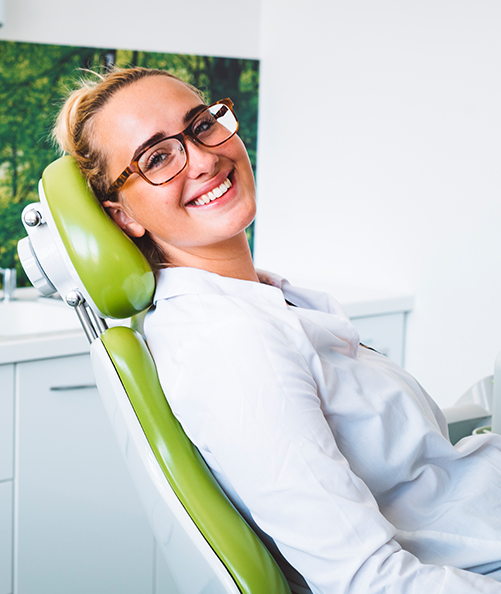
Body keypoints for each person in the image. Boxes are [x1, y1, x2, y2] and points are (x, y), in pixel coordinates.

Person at [53, 66, 501, 594]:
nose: (203, 158)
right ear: (123, 216)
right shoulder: (230, 343)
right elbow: (370, 581)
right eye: (157, 158)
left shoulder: (255, 299)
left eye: (201, 125)